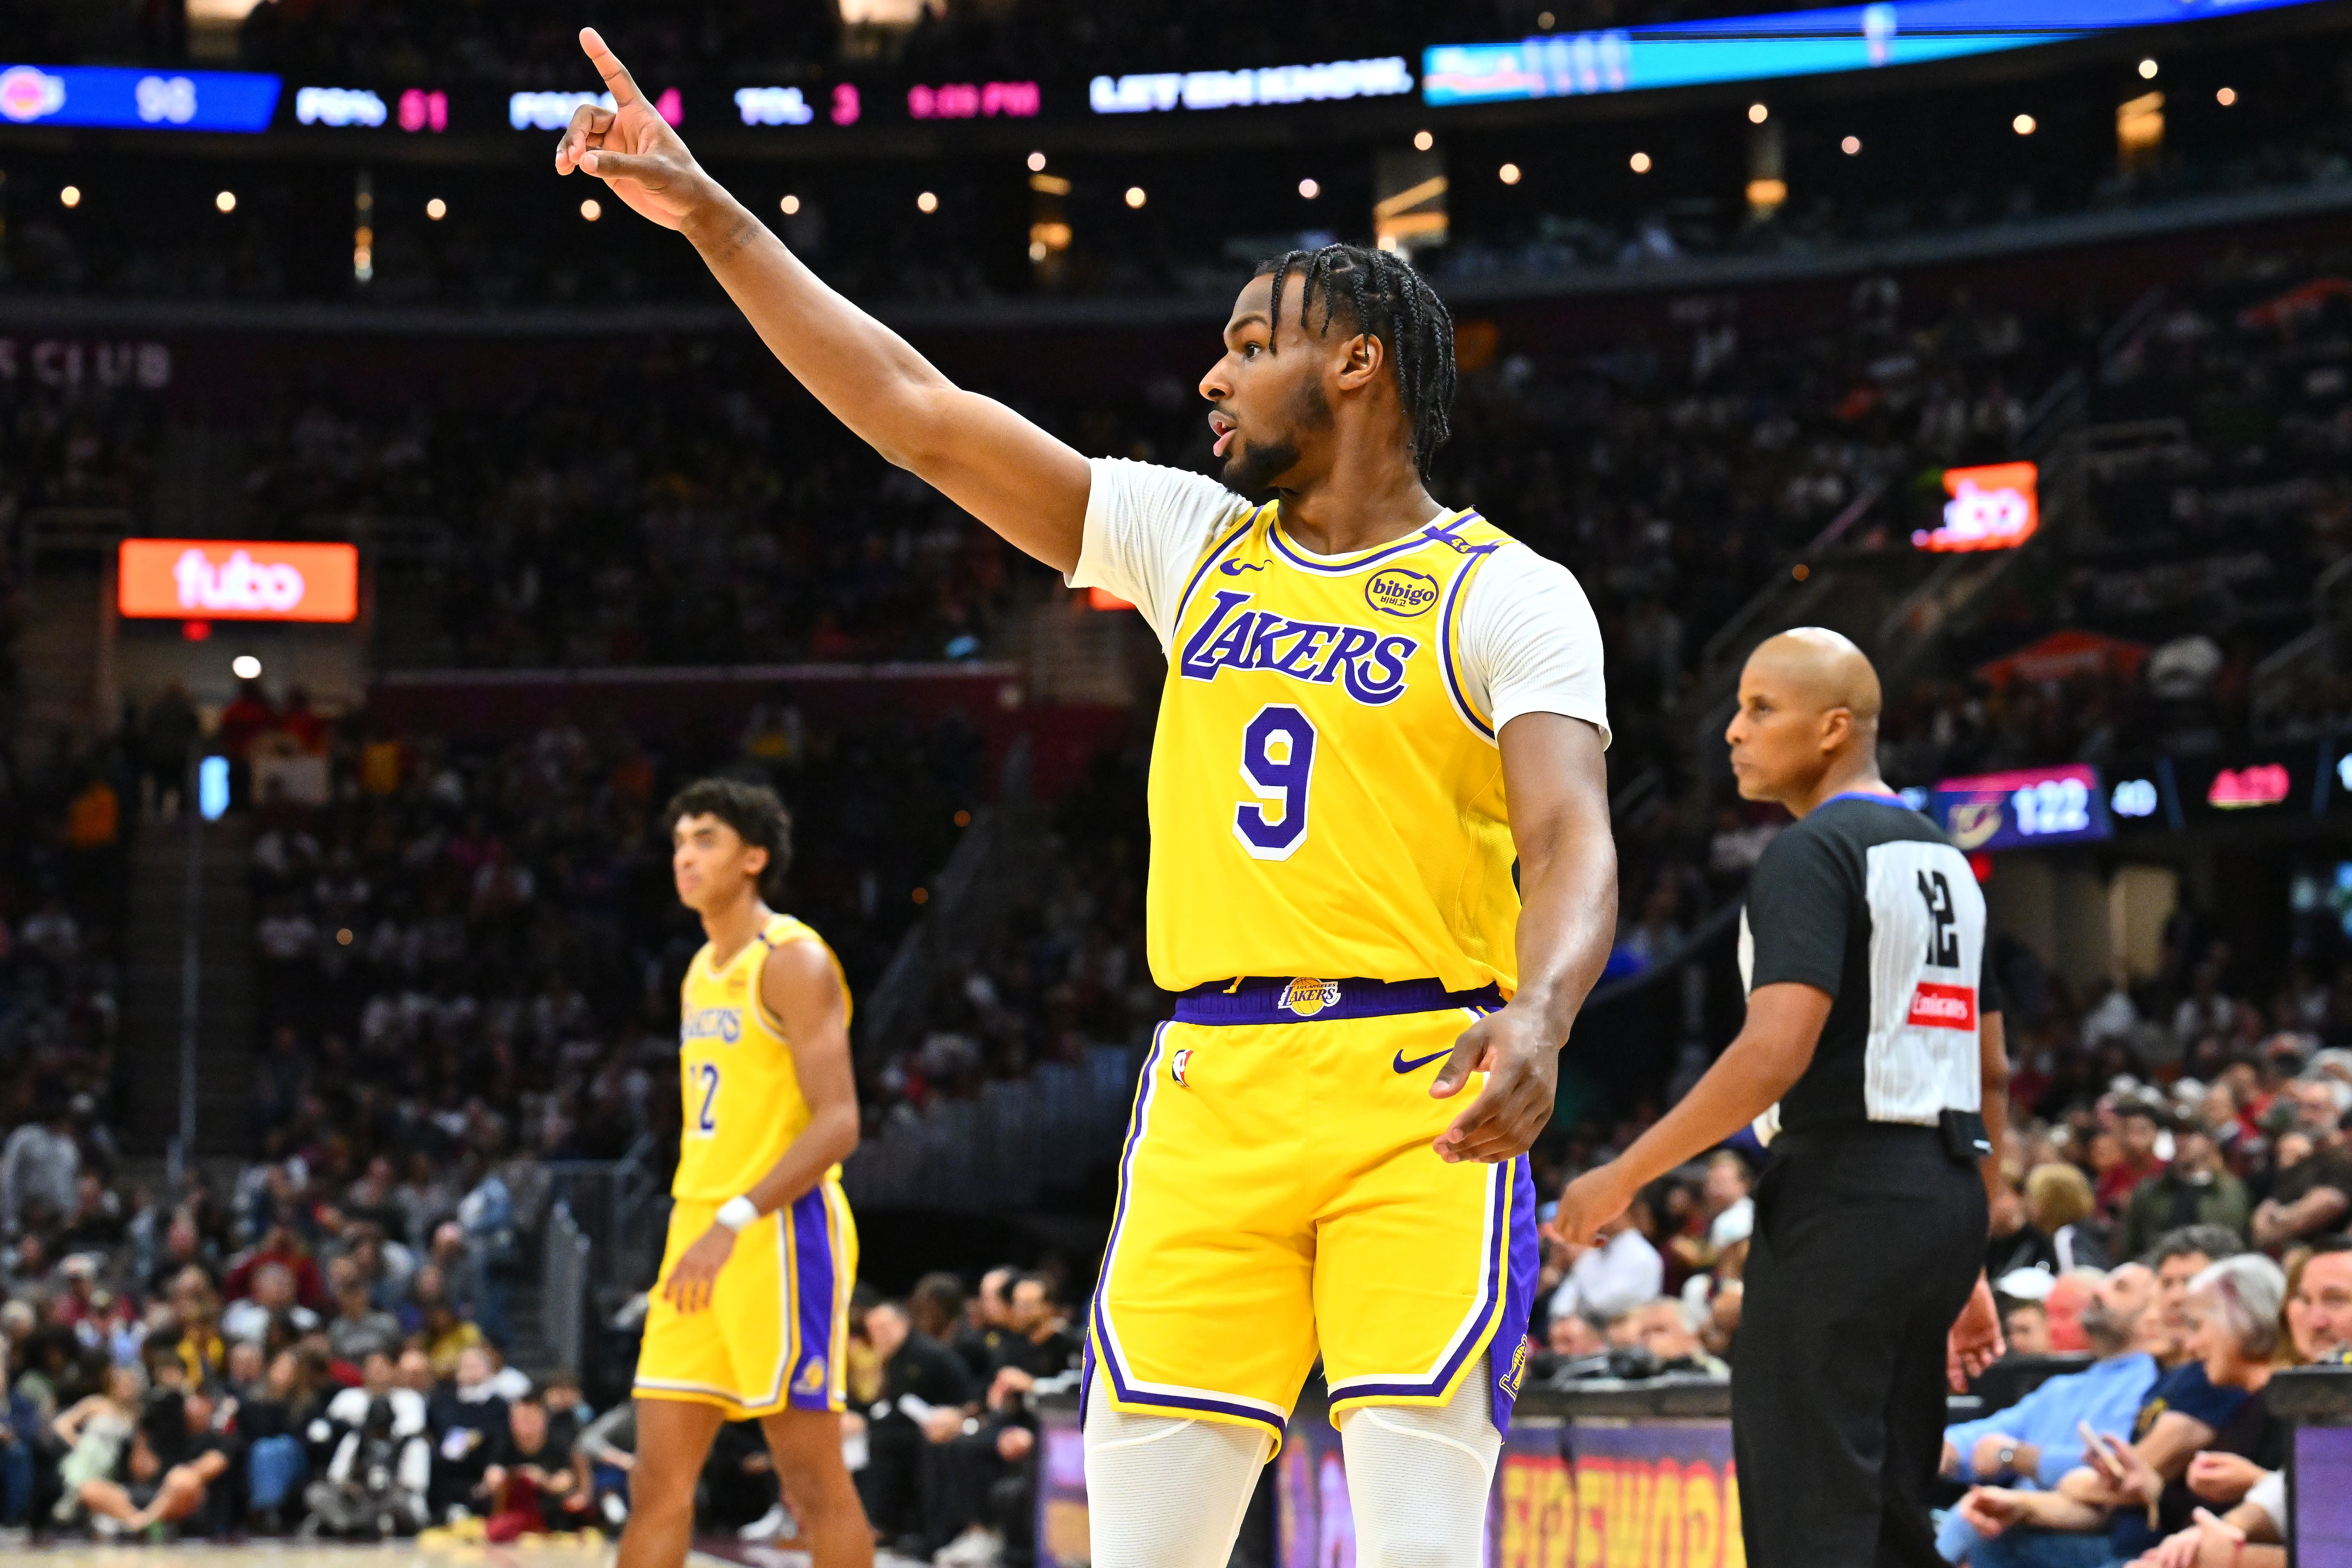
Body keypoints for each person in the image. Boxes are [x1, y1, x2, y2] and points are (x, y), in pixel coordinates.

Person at [554, 32, 1618, 1568]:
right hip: (1209, 1089)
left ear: (1357, 362)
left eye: (1252, 341)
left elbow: (1572, 836)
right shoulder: (1193, 542)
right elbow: (917, 410)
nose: (1214, 369)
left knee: (1417, 1543)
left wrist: (1547, 1010)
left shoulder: (1509, 591)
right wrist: (716, 217)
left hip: (1423, 1097)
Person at [1556, 628, 2005, 1566]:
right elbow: (1990, 1071)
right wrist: (1970, 1251)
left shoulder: (1811, 852)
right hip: (1945, 1195)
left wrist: (1625, 1172)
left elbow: (1773, 1054)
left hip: (1846, 1194)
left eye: (1762, 707)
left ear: (1834, 728)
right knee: (1889, 1514)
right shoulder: (1950, 864)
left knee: (1810, 1516)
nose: (1733, 730)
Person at [618, 779, 868, 1568]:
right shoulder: (700, 967)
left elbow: (840, 1123)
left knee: (811, 1480)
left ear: (754, 858)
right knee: (657, 1479)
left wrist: (733, 1219)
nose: (685, 857)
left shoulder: (792, 959)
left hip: (775, 1230)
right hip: (696, 1231)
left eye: (706, 840)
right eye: (679, 842)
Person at [1959, 1254, 2289, 1566]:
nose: (2175, 1300)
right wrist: (2024, 1506)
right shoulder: (2170, 1381)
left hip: (2166, 1549)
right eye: (2167, 1282)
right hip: (2146, 1541)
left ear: (2242, 1319)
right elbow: (2137, 1496)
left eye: (2196, 1323)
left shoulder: (2229, 1392)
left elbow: (2108, 1491)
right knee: (1992, 1537)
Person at [1938, 1264, 2164, 1561]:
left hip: (2086, 1535)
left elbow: (2113, 1470)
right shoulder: (2063, 1388)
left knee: (1988, 1532)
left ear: (2155, 1313)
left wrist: (2016, 1456)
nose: (2098, 1292)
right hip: (2023, 1522)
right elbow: (1986, 1434)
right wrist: (1934, 1450)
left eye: (2120, 1288)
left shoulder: (2153, 1385)